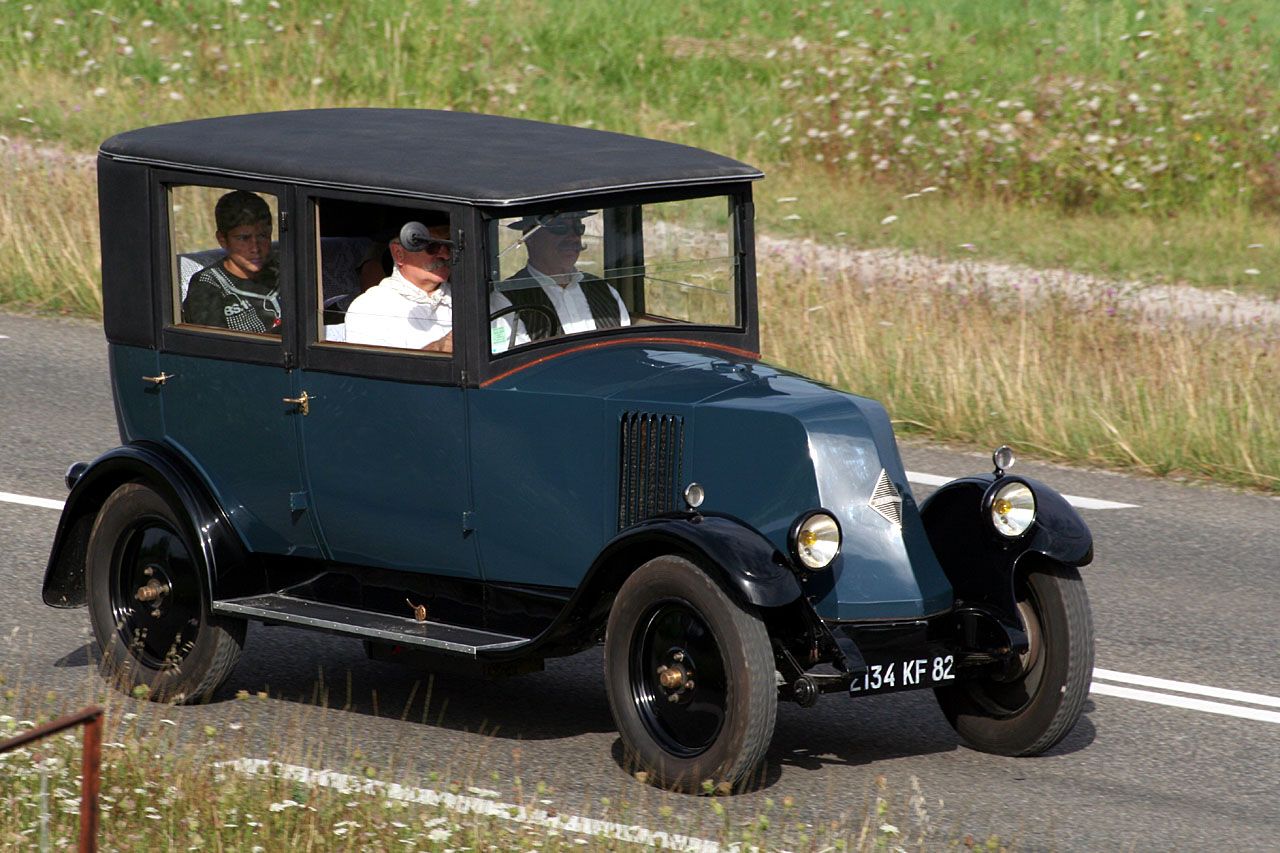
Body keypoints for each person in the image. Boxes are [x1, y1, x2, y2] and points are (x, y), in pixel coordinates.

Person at [501, 212, 630, 340]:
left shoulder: (605, 291)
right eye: (559, 228)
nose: (573, 237)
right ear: (530, 237)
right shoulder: (506, 301)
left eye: (578, 228)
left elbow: (626, 348)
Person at [345, 219, 455, 352]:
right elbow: (375, 369)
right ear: (399, 254)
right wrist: (438, 349)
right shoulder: (370, 308)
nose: (445, 255)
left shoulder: (470, 298)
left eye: (449, 245)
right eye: (432, 246)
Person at [182, 190, 281, 333]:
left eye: (262, 236)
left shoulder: (284, 270)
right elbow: (216, 346)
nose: (255, 248)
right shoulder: (208, 285)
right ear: (223, 240)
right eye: (243, 238)